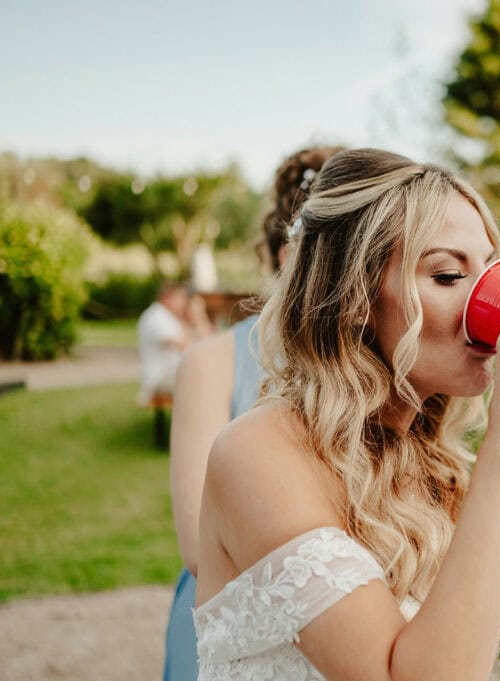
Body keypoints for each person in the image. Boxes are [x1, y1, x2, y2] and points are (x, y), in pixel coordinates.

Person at [191, 147, 500, 679]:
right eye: (450, 275)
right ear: (357, 297)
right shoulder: (258, 454)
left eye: (496, 270)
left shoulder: (431, 462)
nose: (487, 298)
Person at [162, 146, 341, 681]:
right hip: (239, 626)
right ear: (292, 258)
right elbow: (199, 544)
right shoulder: (211, 362)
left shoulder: (380, 366)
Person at [137, 282, 211, 406]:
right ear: (167, 297)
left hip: (172, 374)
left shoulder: (168, 317)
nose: (184, 302)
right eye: (180, 298)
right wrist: (197, 316)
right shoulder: (156, 317)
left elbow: (206, 344)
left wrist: (198, 317)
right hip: (159, 379)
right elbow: (190, 347)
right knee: (203, 382)